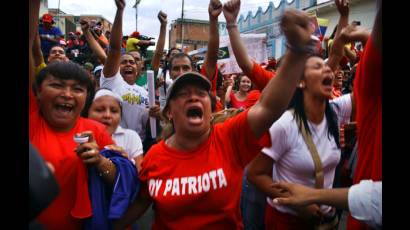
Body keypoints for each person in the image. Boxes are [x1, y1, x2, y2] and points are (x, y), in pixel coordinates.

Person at [113, 2, 317, 228]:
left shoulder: (229, 138)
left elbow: (269, 107)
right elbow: (142, 201)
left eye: (201, 93)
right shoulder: (154, 158)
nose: (194, 97)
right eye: (183, 94)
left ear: (211, 108)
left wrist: (297, 51)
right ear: (169, 112)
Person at [100, 0, 160, 146]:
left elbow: (147, 127)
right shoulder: (111, 82)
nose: (128, 64)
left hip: (139, 148)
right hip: (112, 146)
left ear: (138, 70)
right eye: (124, 61)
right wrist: (120, 11)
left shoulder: (145, 94)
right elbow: (114, 49)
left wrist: (156, 116)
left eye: (132, 62)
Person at [270, 180, 381, 229]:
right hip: (289, 220)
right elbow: (255, 173)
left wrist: (314, 196)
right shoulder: (284, 131)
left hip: (324, 217)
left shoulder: (333, 133)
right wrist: (310, 198)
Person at [87, 88, 144, 172]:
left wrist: (126, 162)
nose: (107, 115)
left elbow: (140, 175)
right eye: (99, 110)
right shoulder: (80, 137)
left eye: (114, 111)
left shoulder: (131, 137)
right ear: (87, 113)